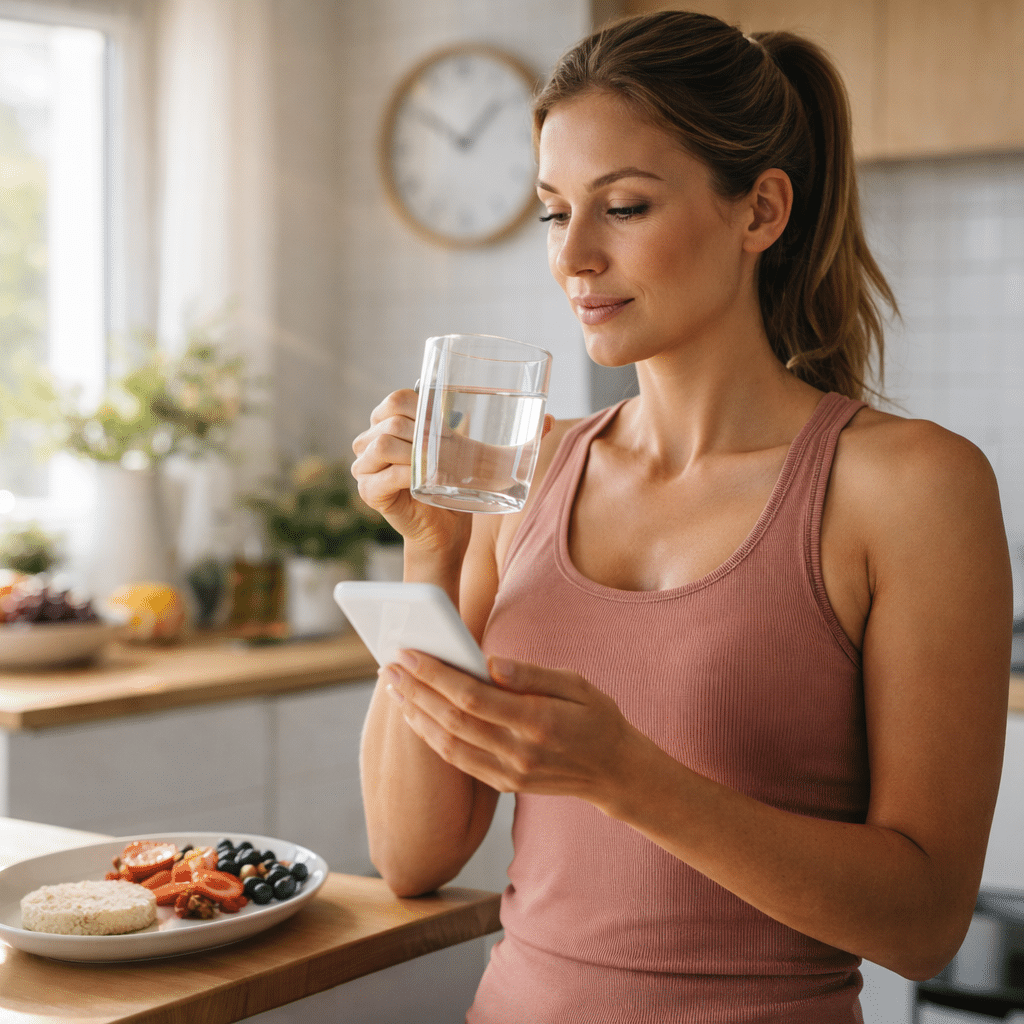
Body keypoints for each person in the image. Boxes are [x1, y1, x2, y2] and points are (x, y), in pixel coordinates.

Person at [351, 11, 1012, 1023]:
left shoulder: (909, 487)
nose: (573, 256)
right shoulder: (525, 474)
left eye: (622, 206)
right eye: (553, 212)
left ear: (760, 211)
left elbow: (922, 924)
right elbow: (411, 854)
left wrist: (626, 776)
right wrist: (429, 557)